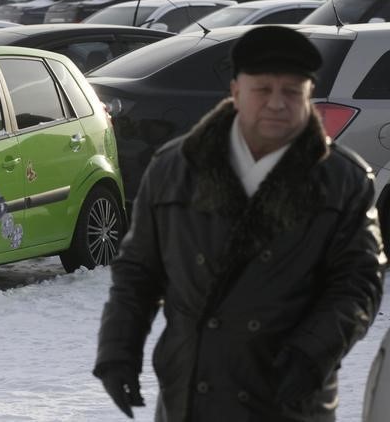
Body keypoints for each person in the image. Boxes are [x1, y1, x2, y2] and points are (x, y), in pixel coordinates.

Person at [93, 25, 385, 421]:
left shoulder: (342, 180)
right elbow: (138, 272)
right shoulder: (177, 167)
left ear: (309, 96)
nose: (277, 104)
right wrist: (117, 351)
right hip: (193, 391)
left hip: (290, 394)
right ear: (235, 92)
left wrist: (313, 353)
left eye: (291, 92)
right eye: (263, 90)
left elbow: (358, 283)